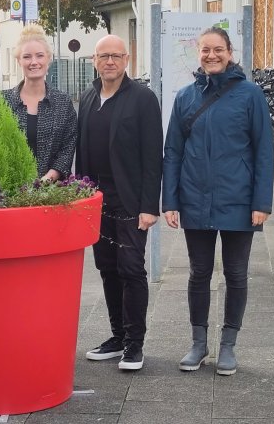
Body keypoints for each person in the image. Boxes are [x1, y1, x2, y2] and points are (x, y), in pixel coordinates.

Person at [162, 26, 274, 376]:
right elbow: (173, 153)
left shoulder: (250, 95)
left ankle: (228, 346)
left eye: (218, 49)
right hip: (194, 199)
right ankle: (198, 344)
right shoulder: (185, 97)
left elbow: (264, 152)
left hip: (239, 200)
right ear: (198, 53)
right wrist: (170, 201)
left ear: (230, 52)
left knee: (236, 274)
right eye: (205, 50)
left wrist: (262, 202)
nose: (211, 55)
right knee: (198, 274)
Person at [75, 35, 163, 371]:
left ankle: (134, 344)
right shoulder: (88, 96)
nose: (109, 61)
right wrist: (82, 198)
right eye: (103, 56)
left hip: (129, 201)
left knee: (130, 269)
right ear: (94, 60)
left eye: (116, 56)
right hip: (97, 201)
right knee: (107, 268)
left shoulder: (142, 98)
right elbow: (82, 153)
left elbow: (153, 156)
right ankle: (116, 336)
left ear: (127, 59)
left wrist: (148, 205)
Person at [0, 25, 77, 180]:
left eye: (39, 55)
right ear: (19, 61)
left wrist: (50, 177)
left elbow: (68, 147)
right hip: (9, 192)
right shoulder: (1, 101)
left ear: (48, 59)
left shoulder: (63, 103)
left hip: (53, 191)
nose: (34, 62)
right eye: (27, 56)